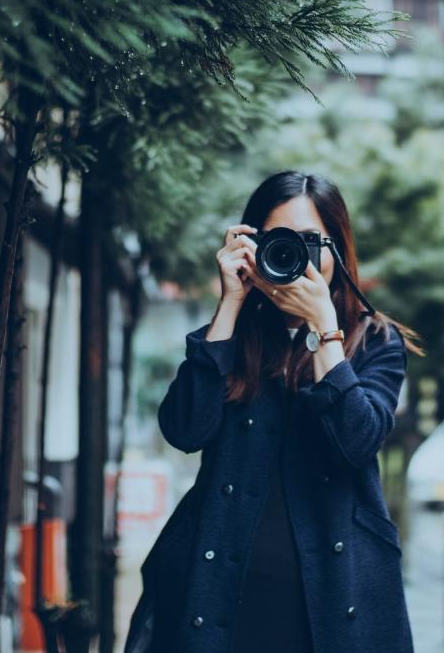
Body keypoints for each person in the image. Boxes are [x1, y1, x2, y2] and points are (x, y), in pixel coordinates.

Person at [124, 171, 423, 653]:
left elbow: (357, 443)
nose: (297, 255)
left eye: (311, 241)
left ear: (337, 250)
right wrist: (229, 305)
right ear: (253, 245)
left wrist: (326, 329)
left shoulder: (375, 341)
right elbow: (184, 429)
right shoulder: (234, 334)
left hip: (331, 596)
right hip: (220, 590)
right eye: (281, 241)